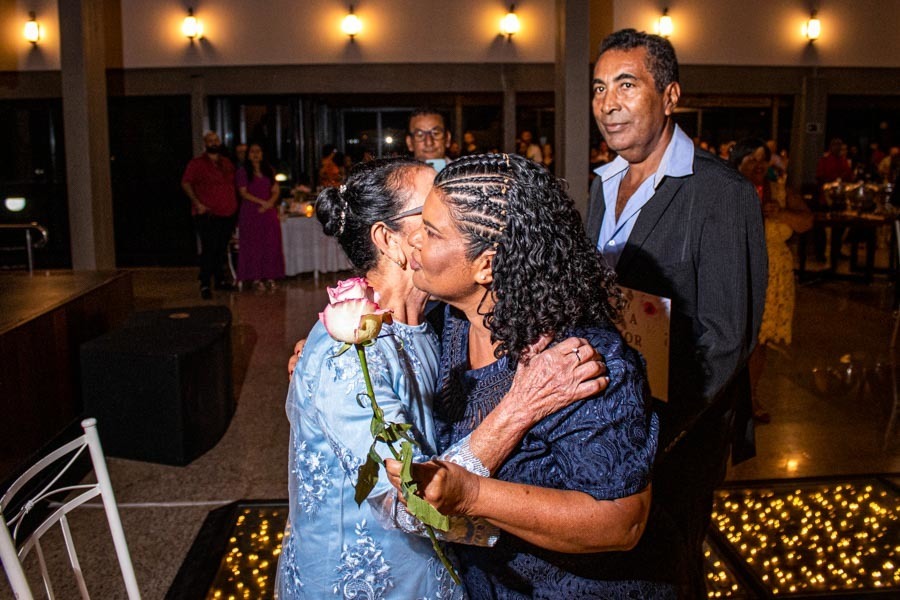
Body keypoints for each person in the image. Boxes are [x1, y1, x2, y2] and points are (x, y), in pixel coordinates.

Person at [277, 157, 609, 598]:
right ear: (389, 239)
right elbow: (410, 505)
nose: (450, 206)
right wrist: (520, 407)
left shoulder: (435, 318)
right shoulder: (348, 355)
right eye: (431, 210)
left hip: (436, 570)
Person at [390, 153, 666, 598]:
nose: (413, 240)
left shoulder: (582, 360)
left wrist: (473, 495)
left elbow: (622, 521)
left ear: (487, 265)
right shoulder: (453, 323)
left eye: (432, 231)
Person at [585, 29, 767, 597]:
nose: (608, 104)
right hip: (610, 414)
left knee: (670, 566)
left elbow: (727, 338)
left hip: (678, 428)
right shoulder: (603, 183)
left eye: (626, 85)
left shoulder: (719, 192)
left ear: (669, 96)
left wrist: (655, 430)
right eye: (599, 88)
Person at [730, 139, 812, 423]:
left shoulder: (779, 191)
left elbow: (806, 222)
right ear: (738, 161)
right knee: (732, 337)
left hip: (772, 275)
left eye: (763, 159)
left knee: (759, 340)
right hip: (737, 269)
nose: (758, 165)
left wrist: (782, 212)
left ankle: (751, 397)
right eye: (751, 159)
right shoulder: (727, 189)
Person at [181, 131, 238, 299]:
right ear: (205, 144)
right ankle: (205, 283)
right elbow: (185, 183)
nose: (214, 143)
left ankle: (220, 280)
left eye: (216, 140)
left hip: (227, 213)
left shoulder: (226, 162)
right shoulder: (197, 164)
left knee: (221, 248)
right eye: (210, 140)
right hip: (208, 214)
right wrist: (197, 203)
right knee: (209, 249)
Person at [235, 142, 285, 291]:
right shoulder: (243, 172)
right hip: (251, 213)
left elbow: (275, 190)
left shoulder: (269, 170)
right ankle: (255, 278)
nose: (256, 154)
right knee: (253, 246)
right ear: (248, 155)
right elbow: (243, 193)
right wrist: (262, 202)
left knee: (270, 244)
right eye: (252, 152)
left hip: (268, 212)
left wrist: (270, 203)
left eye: (258, 151)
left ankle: (270, 277)